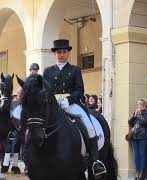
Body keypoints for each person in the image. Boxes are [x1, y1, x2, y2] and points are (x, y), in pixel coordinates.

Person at [42, 39, 106, 178]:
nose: (62, 54)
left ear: (68, 53)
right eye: (59, 52)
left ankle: (95, 161)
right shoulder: (47, 71)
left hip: (71, 103)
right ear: (55, 54)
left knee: (88, 125)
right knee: (38, 124)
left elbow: (80, 89)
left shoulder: (75, 69)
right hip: (53, 105)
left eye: (64, 52)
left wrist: (68, 100)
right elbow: (45, 90)